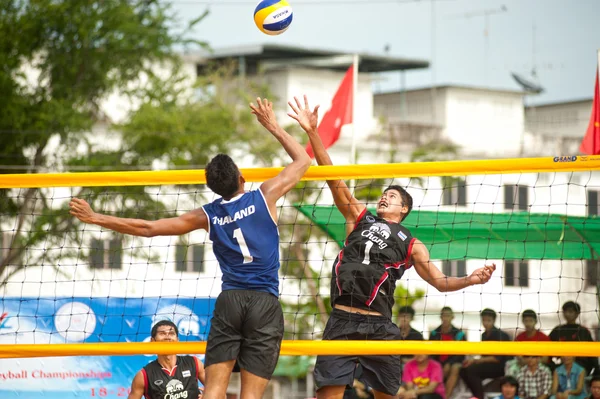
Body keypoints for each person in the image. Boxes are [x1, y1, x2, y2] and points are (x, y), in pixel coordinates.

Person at [70, 97, 312, 399]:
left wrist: (95, 217)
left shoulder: (206, 215)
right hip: (265, 301)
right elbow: (303, 160)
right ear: (242, 178)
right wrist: (273, 126)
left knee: (212, 390)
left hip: (231, 300)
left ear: (213, 188)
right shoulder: (264, 195)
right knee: (251, 396)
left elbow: (148, 228)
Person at [288, 95, 496, 399]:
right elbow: (333, 180)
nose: (385, 197)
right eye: (384, 194)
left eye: (393, 197)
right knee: (326, 395)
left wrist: (471, 279)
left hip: (379, 326)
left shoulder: (411, 243)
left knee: (388, 395)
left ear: (404, 209)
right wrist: (313, 133)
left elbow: (439, 282)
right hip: (343, 319)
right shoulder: (361, 218)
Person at [127, 320, 206, 399]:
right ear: (152, 341)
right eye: (162, 333)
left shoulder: (194, 363)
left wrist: (209, 396)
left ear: (177, 340)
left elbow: (217, 388)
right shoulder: (143, 375)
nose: (167, 337)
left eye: (171, 334)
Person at [460, 308, 511, 399]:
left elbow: (496, 358)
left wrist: (476, 360)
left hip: (499, 367)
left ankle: (480, 397)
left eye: (488, 320)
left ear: (494, 320)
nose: (486, 323)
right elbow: (483, 356)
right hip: (486, 365)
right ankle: (476, 395)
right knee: (462, 370)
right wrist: (473, 360)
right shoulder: (484, 335)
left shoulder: (501, 335)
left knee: (472, 370)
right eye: (484, 320)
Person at [549, 302, 598, 375]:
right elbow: (548, 348)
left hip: (581, 365)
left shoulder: (583, 331)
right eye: (565, 311)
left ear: (577, 313)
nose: (567, 314)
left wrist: (596, 368)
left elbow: (592, 353)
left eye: (570, 311)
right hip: (562, 365)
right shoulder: (558, 330)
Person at [429, 307, 467, 399]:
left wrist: (449, 363)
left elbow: (461, 354)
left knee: (455, 367)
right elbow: (431, 352)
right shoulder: (434, 333)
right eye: (443, 316)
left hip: (453, 363)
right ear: (440, 317)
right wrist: (438, 364)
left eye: (448, 316)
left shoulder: (459, 334)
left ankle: (445, 397)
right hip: (437, 363)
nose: (445, 318)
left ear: (452, 317)